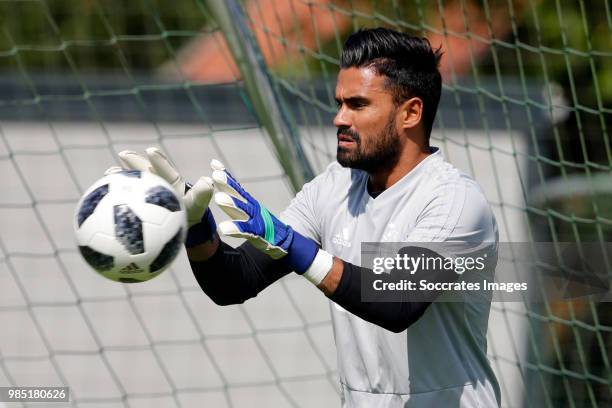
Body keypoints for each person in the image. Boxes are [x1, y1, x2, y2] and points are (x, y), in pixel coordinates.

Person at [111, 27, 501, 407]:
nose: (340, 119)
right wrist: (197, 229)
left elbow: (396, 304)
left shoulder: (454, 201)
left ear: (410, 113)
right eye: (339, 103)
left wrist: (297, 250)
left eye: (358, 104)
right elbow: (234, 282)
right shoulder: (332, 187)